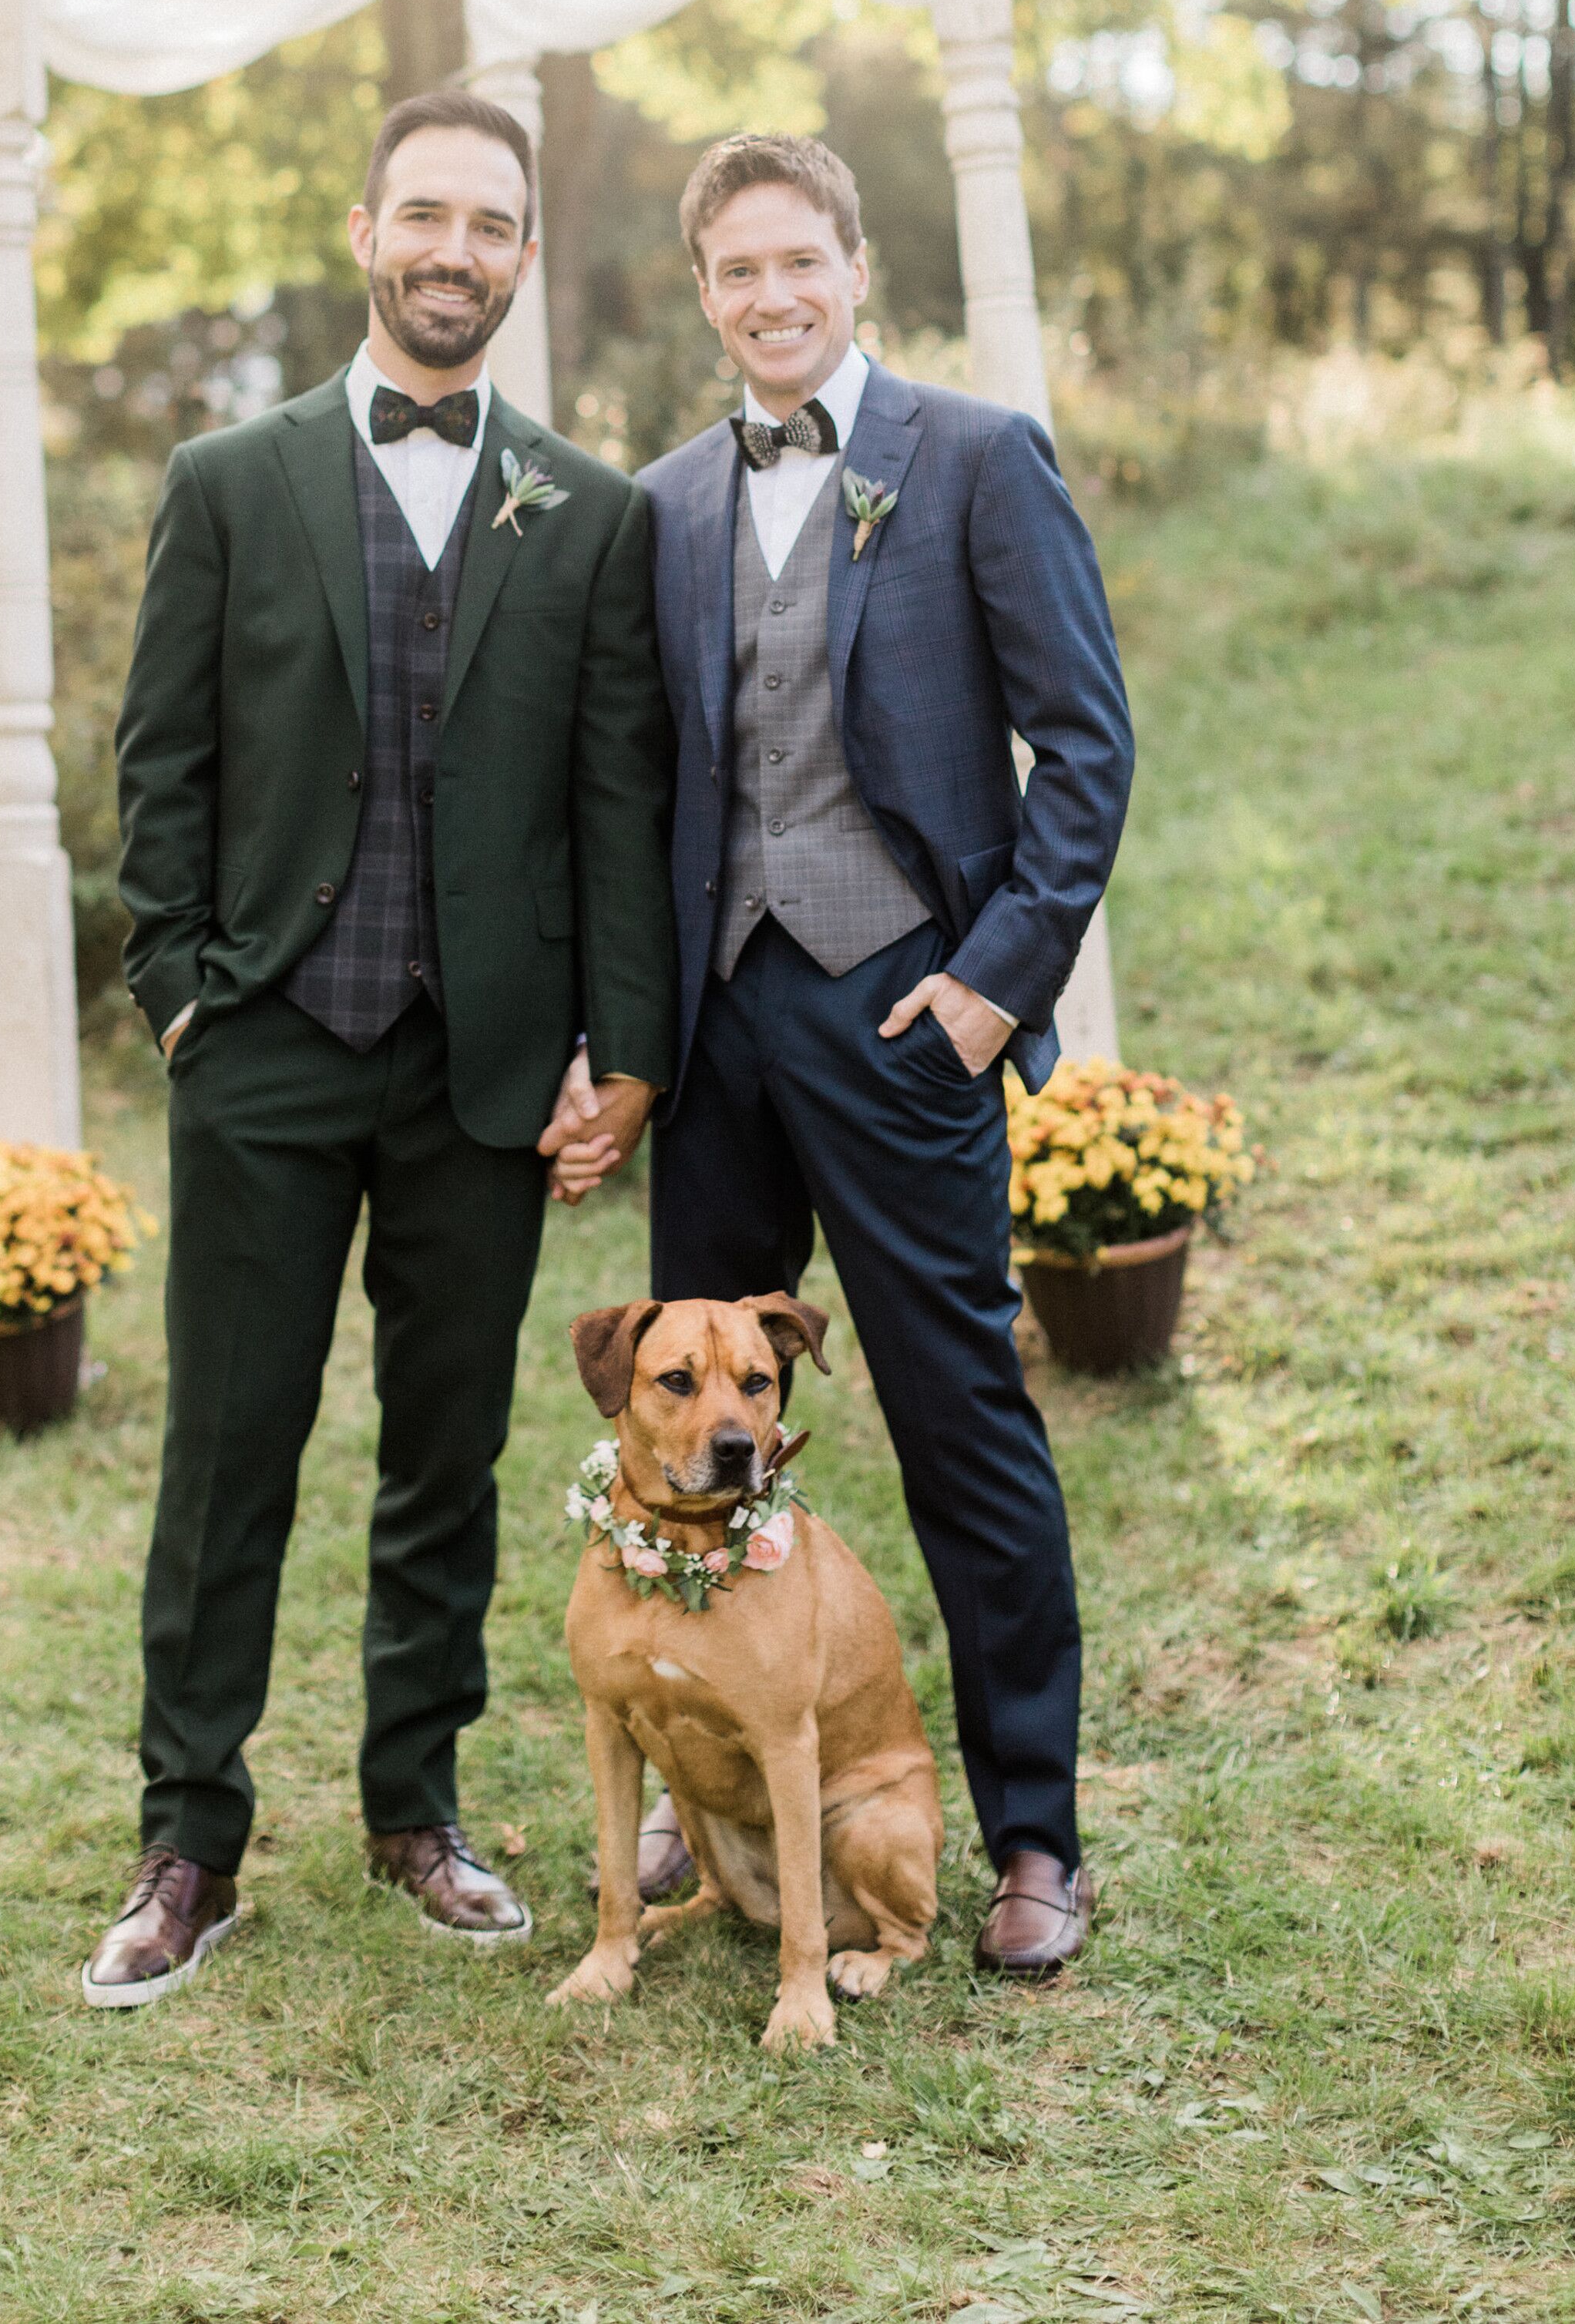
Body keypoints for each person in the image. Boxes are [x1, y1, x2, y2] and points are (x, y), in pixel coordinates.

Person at [86, 92, 677, 2006]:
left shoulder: (584, 509)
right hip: (265, 1046)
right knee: (228, 1452)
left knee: (448, 1449)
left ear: (521, 257)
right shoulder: (230, 478)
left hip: (482, 1072)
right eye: (424, 214)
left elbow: (616, 799)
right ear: (364, 234)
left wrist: (624, 1052)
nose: (453, 249)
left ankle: (417, 1808)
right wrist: (180, 989)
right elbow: (161, 765)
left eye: (489, 224)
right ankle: (190, 1843)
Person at [636, 132, 1132, 1980]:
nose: (770, 296)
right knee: (699, 1426)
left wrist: (998, 983)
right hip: (715, 1036)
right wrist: (636, 1029)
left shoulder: (979, 459)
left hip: (909, 1012)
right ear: (705, 295)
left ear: (856, 265)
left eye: (799, 261)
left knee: (958, 1424)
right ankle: (714, 1794)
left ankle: (1029, 1837)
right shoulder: (671, 500)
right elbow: (651, 783)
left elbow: (1088, 746)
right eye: (735, 272)